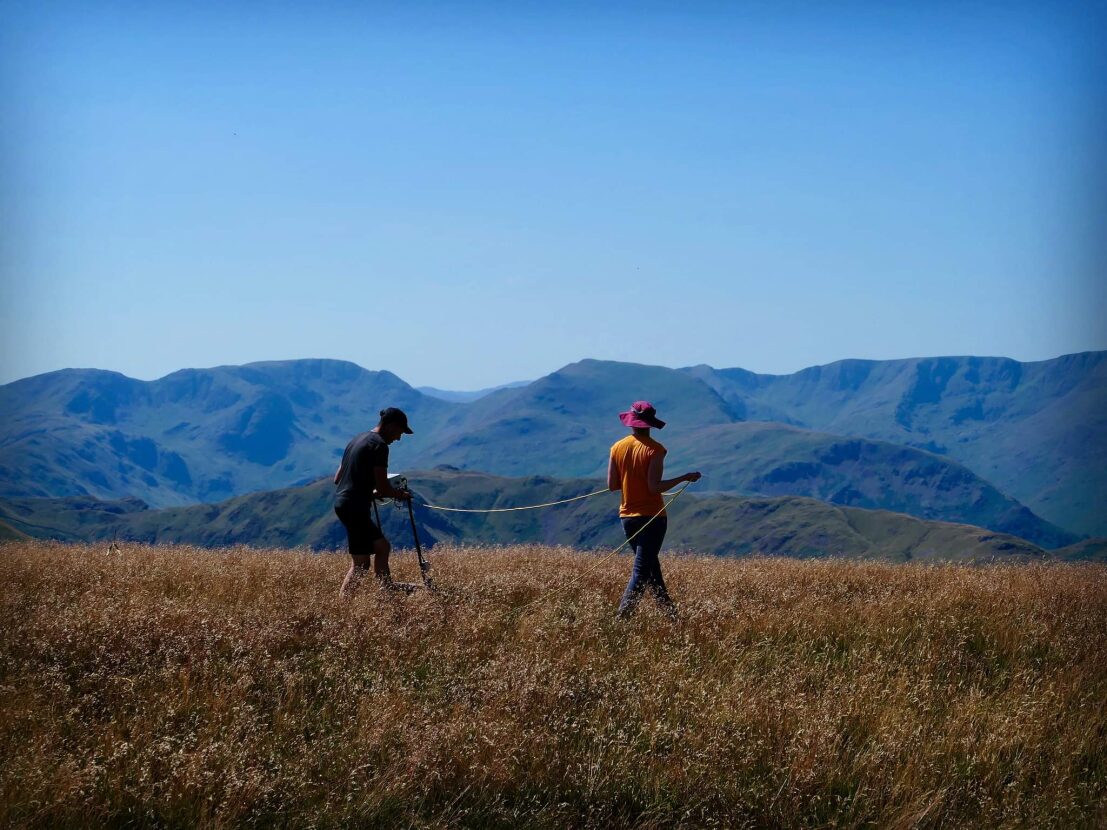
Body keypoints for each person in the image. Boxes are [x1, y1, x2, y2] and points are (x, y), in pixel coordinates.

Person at [607, 401, 701, 618]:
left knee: (651, 570)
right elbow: (654, 487)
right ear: (649, 424)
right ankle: (622, 620)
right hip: (652, 518)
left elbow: (613, 485)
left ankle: (672, 617)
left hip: (627, 517)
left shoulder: (617, 447)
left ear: (631, 422)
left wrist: (631, 478)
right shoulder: (655, 450)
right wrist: (685, 477)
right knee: (641, 572)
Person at [334, 407, 416, 596]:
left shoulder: (356, 440)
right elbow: (383, 487)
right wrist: (400, 495)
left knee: (361, 563)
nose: (398, 438)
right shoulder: (379, 446)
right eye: (399, 432)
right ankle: (387, 593)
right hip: (355, 506)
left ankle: (345, 604)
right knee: (382, 547)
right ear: (391, 426)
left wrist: (367, 491)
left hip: (343, 503)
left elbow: (338, 478)